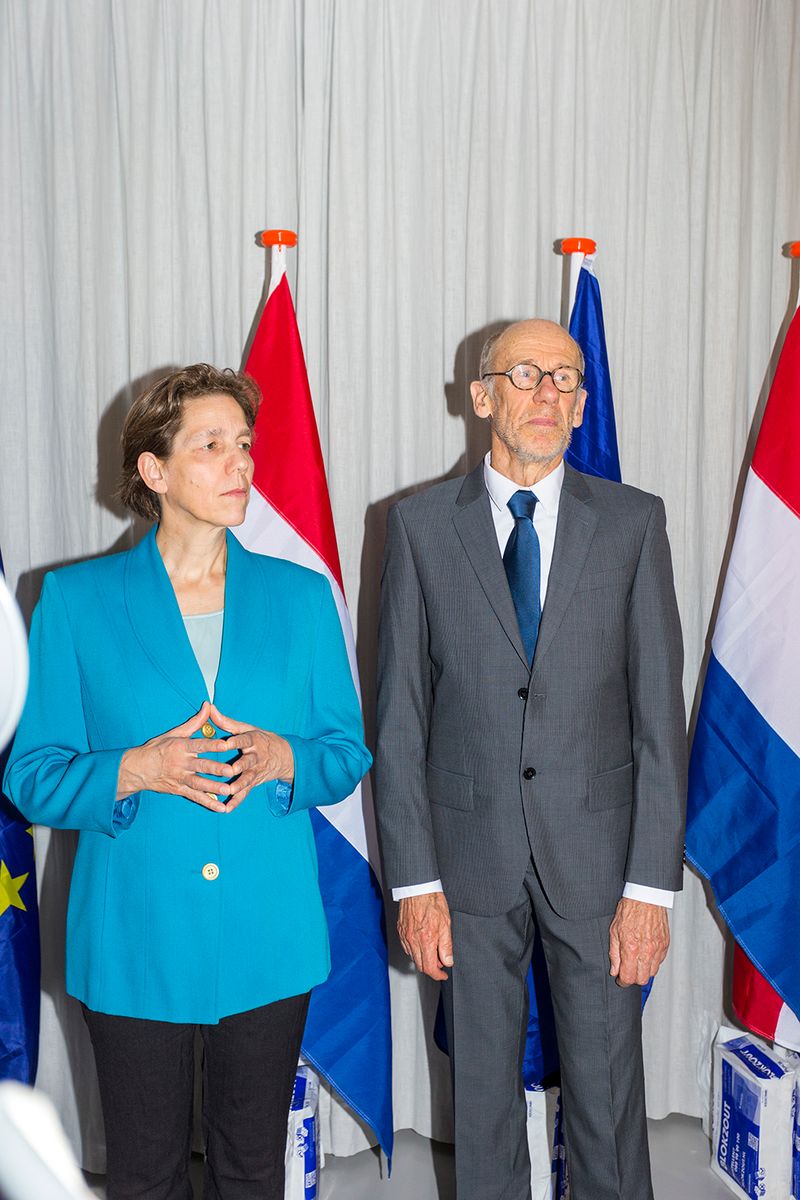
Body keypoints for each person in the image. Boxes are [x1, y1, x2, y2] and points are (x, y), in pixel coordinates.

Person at [4, 364, 372, 1200]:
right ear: (154, 471)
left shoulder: (303, 598)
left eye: (243, 445)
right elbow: (32, 778)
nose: (240, 463)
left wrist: (285, 759)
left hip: (268, 937)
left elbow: (345, 753)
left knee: (250, 1169)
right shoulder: (73, 601)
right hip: (133, 938)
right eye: (211, 445)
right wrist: (136, 768)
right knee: (144, 1173)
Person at [375, 319, 687, 1200]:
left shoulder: (633, 523)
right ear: (482, 398)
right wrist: (415, 883)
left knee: (608, 1100)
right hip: (465, 866)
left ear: (584, 402)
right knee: (480, 1102)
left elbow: (661, 715)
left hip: (599, 863)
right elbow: (398, 718)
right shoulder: (419, 527)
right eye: (526, 374)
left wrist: (651, 890)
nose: (550, 393)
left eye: (567, 377)